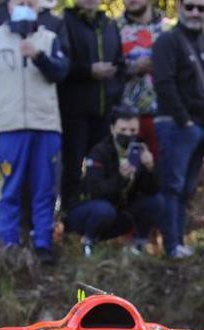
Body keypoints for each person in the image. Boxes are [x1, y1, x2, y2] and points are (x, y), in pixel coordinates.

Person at [0, 0, 70, 263]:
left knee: (44, 187)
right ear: (9, 7)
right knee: (9, 187)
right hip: (9, 125)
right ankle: (9, 244)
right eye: (18, 2)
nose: (24, 5)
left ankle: (43, 243)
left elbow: (60, 73)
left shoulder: (50, 38)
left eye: (29, 2)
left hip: (45, 125)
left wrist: (38, 56)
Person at [151, 0, 204, 258]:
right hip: (176, 125)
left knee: (187, 188)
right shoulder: (168, 41)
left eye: (201, 8)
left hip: (203, 126)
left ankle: (179, 241)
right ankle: (171, 245)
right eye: (190, 6)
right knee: (173, 186)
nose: (195, 13)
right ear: (179, 8)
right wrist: (184, 120)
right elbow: (164, 83)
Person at [69, 107, 163, 256]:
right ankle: (88, 244)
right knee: (104, 210)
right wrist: (120, 178)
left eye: (133, 131)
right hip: (87, 211)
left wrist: (150, 168)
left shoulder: (139, 150)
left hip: (119, 212)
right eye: (123, 129)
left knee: (156, 202)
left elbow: (152, 190)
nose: (128, 134)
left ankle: (139, 245)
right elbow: (95, 191)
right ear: (113, 129)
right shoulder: (100, 152)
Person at [60, 0, 125, 209]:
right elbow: (61, 65)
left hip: (105, 111)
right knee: (72, 170)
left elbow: (119, 62)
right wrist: (88, 70)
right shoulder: (65, 22)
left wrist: (116, 80)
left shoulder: (109, 25)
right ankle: (69, 219)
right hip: (75, 111)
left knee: (102, 167)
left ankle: (99, 220)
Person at [117, 0, 167, 155]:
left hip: (163, 115)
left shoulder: (168, 29)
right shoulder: (112, 28)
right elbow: (106, 69)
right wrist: (134, 68)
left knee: (161, 174)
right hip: (124, 117)